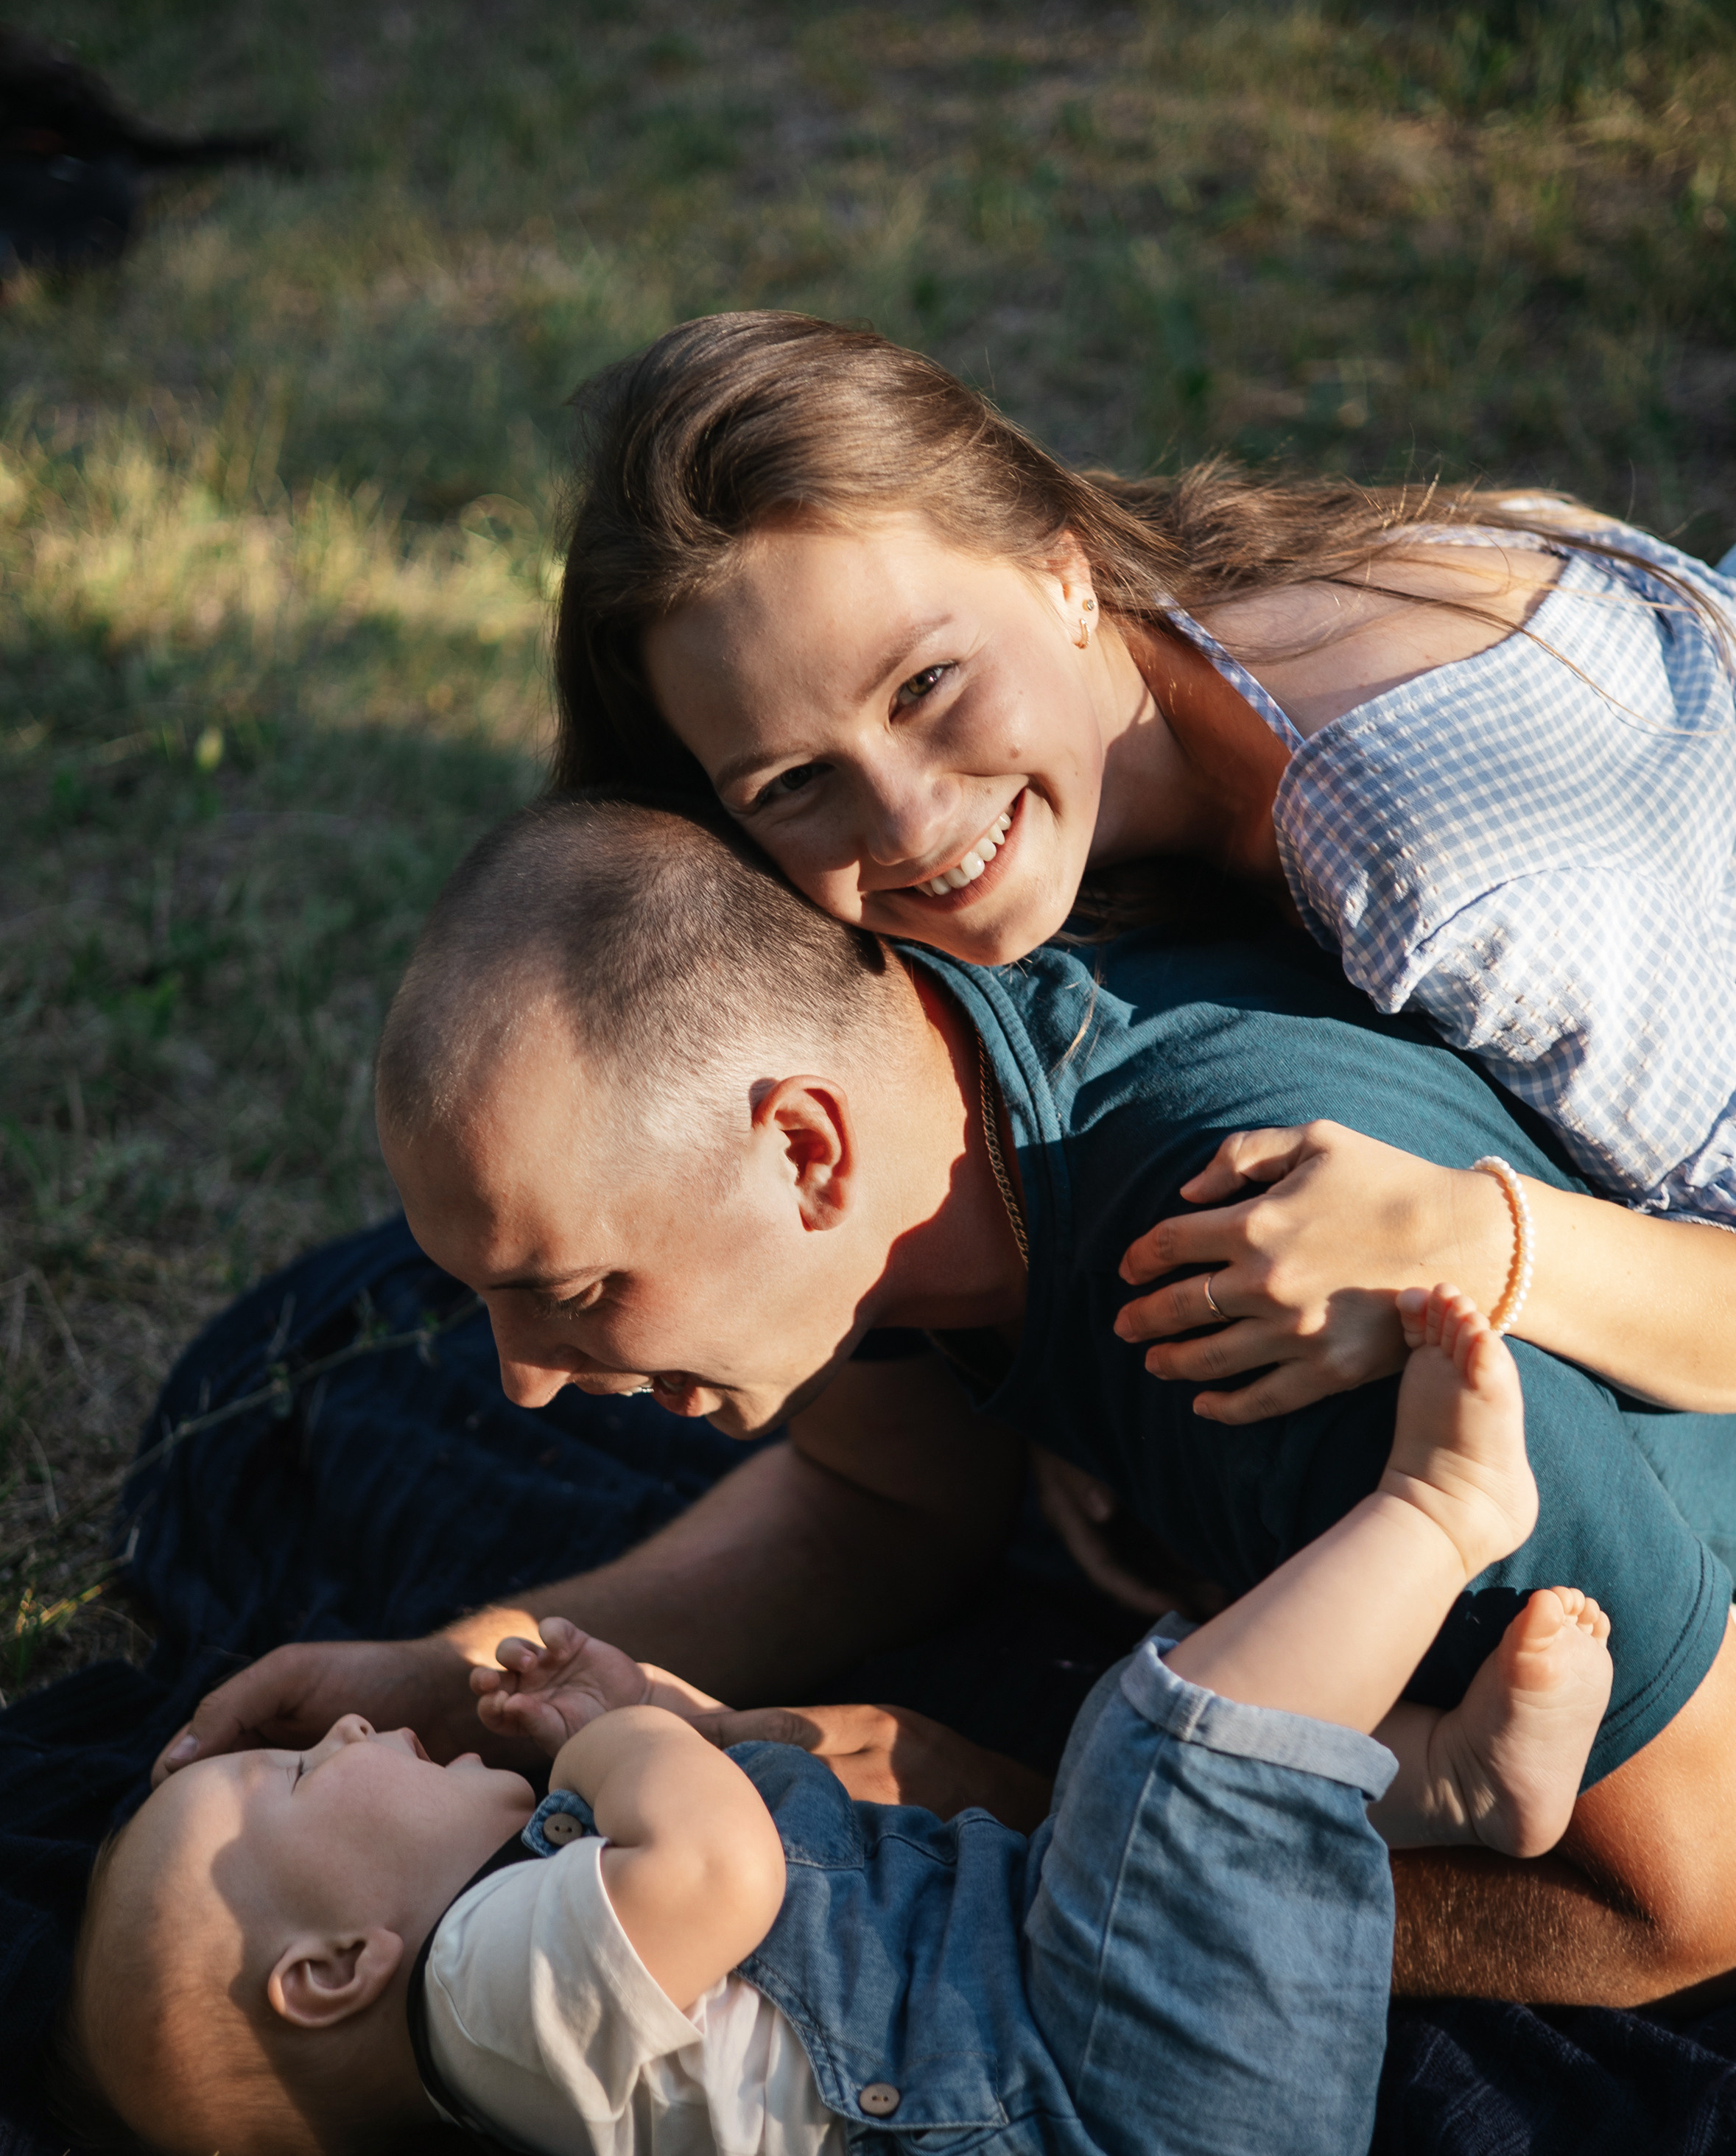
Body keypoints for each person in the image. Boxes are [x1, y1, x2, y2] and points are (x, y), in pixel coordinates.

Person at [157, 795, 1736, 2014]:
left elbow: (1687, 1897)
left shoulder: (1262, 1306)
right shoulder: (916, 1111)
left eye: (569, 1290)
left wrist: (1026, 1832)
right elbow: (883, 1509)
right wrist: (452, 1683)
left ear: (804, 1152)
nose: (522, 1377)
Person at [63, 1286, 1609, 2156]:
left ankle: (1455, 1782)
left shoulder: (529, 1983)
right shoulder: (481, 2004)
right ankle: (1443, 1511)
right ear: (333, 1969)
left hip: (1100, 2046)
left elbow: (719, 1830)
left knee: (1141, 1817)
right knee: (1162, 1746)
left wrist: (664, 1721)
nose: (334, 1735)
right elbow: (720, 1868)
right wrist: (612, 1743)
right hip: (1132, 2112)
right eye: (291, 1780)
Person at [548, 309, 1736, 1442]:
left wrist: (1468, 1239)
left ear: (1059, 570)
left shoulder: (1436, 868)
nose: (907, 821)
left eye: (925, 686)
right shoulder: (1174, 632)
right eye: (791, 782)